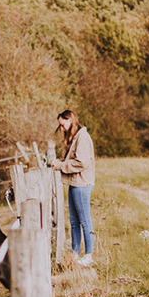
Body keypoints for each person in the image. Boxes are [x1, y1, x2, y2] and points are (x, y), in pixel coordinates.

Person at [50, 109, 96, 266]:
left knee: (85, 221)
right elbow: (73, 159)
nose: (62, 128)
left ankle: (89, 256)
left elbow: (81, 163)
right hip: (75, 183)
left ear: (70, 120)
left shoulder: (82, 137)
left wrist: (61, 165)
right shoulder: (75, 136)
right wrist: (60, 161)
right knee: (74, 221)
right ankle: (75, 255)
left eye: (63, 125)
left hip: (82, 184)